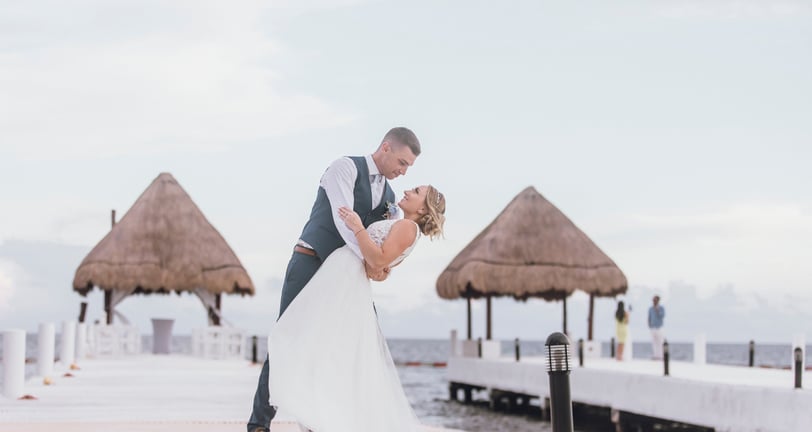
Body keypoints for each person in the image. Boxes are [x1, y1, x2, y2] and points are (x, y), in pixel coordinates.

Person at [247, 127, 421, 432]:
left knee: (350, 347)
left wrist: (381, 267)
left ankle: (319, 422)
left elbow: (382, 245)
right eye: (403, 163)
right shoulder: (345, 167)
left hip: (347, 280)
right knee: (288, 337)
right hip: (311, 262)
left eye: (408, 167)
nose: (403, 172)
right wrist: (371, 260)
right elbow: (345, 223)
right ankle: (259, 424)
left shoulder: (391, 197)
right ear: (386, 148)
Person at [267, 185, 446, 432]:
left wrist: (356, 226)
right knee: (324, 346)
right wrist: (379, 266)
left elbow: (378, 260)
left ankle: (319, 416)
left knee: (311, 342)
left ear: (423, 207)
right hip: (344, 276)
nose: (407, 191)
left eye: (415, 192)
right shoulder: (404, 226)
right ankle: (317, 416)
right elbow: (377, 270)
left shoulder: (408, 227)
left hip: (345, 281)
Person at [648, 295, 666, 359]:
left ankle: (661, 356)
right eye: (653, 300)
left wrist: (657, 310)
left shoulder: (661, 308)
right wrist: (649, 324)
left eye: (655, 300)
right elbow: (649, 317)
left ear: (658, 300)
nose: (654, 301)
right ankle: (656, 355)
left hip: (659, 327)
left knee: (660, 342)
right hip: (652, 328)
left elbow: (662, 316)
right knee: (654, 342)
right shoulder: (650, 308)